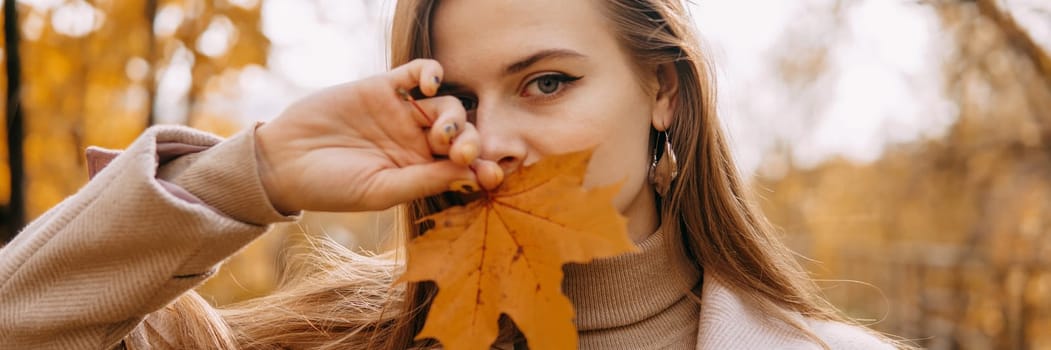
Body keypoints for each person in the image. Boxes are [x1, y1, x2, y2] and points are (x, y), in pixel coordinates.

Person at [0, 0, 903, 349]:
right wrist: (253, 173)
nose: (491, 139)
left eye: (547, 82)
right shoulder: (332, 342)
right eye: (460, 98)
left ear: (662, 90)